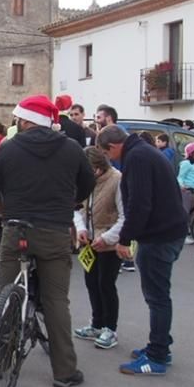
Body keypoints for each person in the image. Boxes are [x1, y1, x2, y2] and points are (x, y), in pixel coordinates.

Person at [0, 95, 95, 387]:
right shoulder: (71, 148)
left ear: (27, 120)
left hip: (16, 228)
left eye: (19, 118)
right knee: (57, 300)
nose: (16, 123)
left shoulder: (9, 147)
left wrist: (2, 211)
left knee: (7, 293)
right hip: (55, 231)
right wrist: (70, 203)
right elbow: (87, 184)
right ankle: (64, 371)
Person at [97, 125, 187, 376]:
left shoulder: (136, 158)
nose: (109, 159)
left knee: (157, 297)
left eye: (107, 153)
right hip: (169, 231)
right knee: (158, 295)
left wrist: (124, 240)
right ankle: (159, 346)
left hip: (160, 236)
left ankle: (157, 357)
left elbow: (139, 203)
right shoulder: (144, 151)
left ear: (113, 146)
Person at [73, 147, 126, 350]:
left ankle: (110, 328)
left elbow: (124, 216)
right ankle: (96, 323)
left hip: (109, 243)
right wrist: (81, 228)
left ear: (98, 168)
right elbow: (77, 208)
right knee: (91, 282)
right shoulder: (86, 181)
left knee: (106, 283)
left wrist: (107, 238)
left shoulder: (117, 179)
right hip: (90, 242)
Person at [177, 143, 194, 244]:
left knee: (193, 214)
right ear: (191, 153)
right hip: (187, 192)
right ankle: (182, 236)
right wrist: (182, 185)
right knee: (185, 214)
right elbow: (180, 177)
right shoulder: (186, 163)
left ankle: (191, 232)